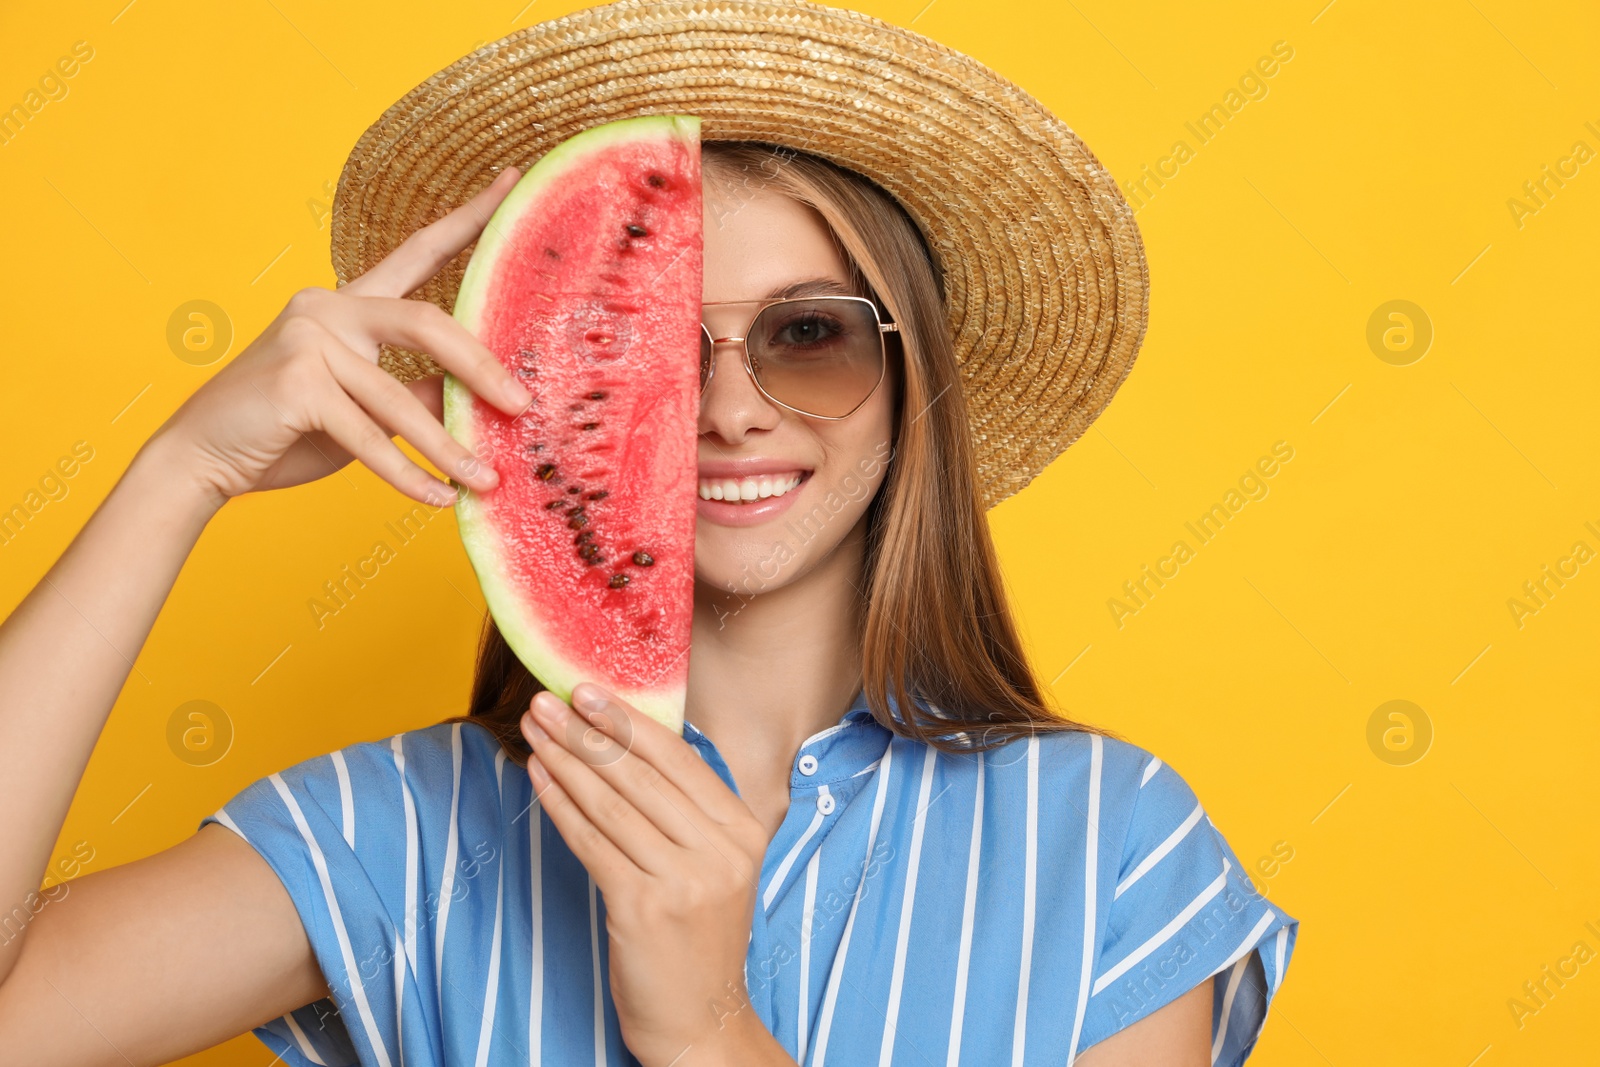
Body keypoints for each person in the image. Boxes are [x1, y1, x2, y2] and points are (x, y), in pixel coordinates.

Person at [0, 2, 1298, 1064]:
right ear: (550, 407)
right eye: (644, 358)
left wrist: (707, 1029)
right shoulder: (406, 827)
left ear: (912, 393)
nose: (731, 410)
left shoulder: (1108, 836)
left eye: (812, 334)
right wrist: (178, 474)